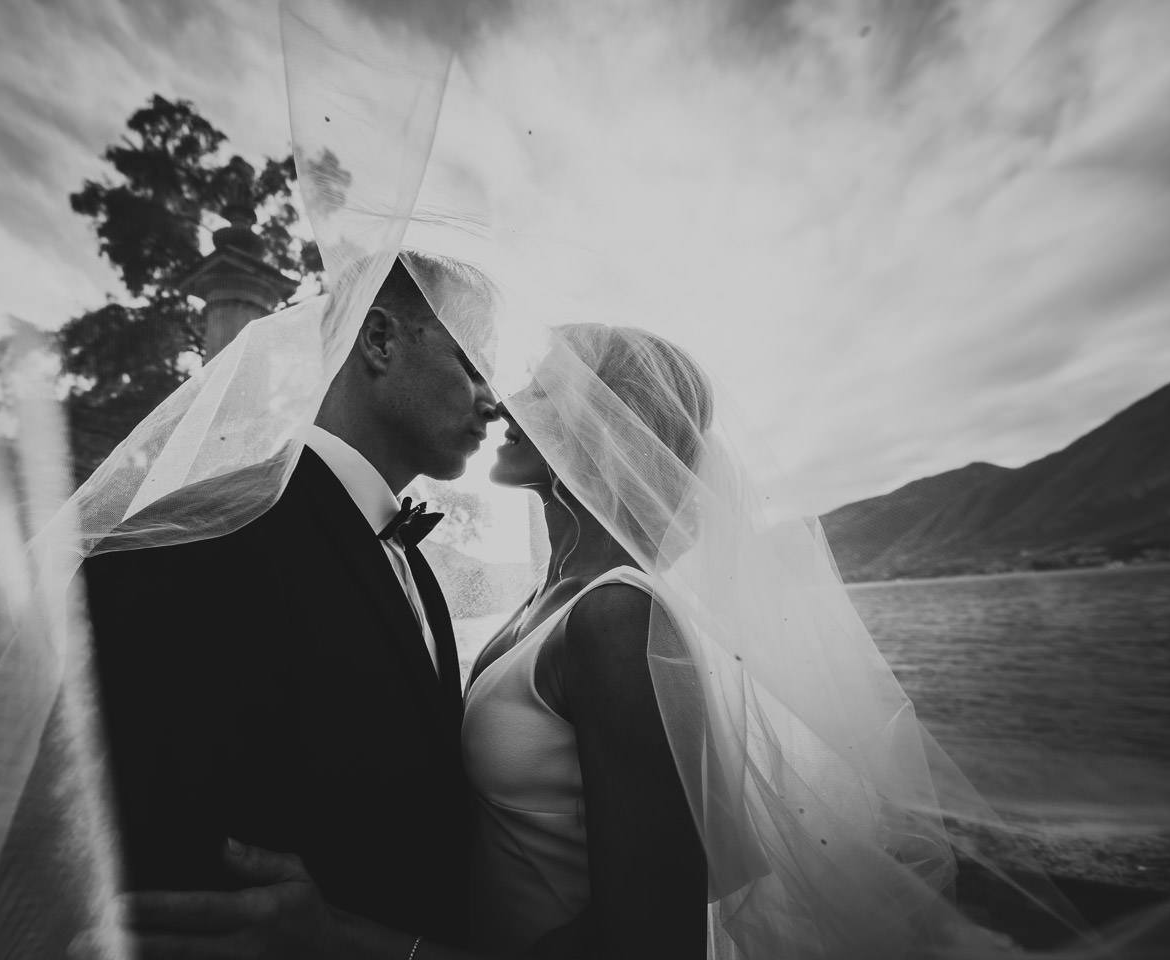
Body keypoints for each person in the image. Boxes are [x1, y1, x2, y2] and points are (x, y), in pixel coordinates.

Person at [95, 326, 722, 959]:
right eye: (476, 368)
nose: (506, 401)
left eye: (543, 388)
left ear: (605, 424)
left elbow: (654, 938)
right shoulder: (539, 601)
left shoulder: (618, 614)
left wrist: (345, 938)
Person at [0, 255, 500, 956]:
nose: (492, 401)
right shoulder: (202, 535)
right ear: (380, 341)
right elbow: (153, 874)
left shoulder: (417, 571)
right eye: (472, 364)